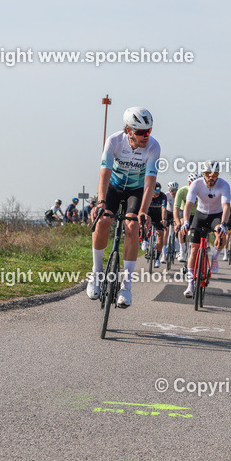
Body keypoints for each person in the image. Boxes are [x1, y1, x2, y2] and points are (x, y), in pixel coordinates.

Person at [88, 106, 160, 309]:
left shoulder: (154, 147)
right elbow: (105, 173)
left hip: (135, 191)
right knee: (102, 221)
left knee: (132, 226)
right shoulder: (114, 142)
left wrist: (143, 211)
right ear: (129, 130)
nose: (146, 136)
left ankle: (126, 287)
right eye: (141, 132)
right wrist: (101, 202)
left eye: (149, 131)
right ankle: (96, 273)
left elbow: (149, 183)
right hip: (114, 187)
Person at [183, 162, 231, 298]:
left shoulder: (224, 185)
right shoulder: (196, 184)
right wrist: (186, 221)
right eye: (208, 174)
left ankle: (215, 257)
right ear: (203, 174)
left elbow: (226, 206)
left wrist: (223, 223)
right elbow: (189, 204)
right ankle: (190, 284)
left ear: (218, 175)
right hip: (200, 215)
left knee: (221, 235)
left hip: (216, 216)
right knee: (194, 248)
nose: (211, 178)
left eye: (214, 175)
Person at [172, 174, 197, 263]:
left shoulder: (201, 191)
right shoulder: (182, 191)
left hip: (197, 213)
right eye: (192, 183)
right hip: (184, 212)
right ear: (189, 183)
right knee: (181, 225)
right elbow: (176, 208)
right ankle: (182, 251)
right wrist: (178, 222)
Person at [143, 182, 169, 264]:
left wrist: (163, 219)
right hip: (149, 213)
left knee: (160, 235)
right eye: (155, 191)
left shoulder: (163, 196)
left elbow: (164, 208)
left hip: (158, 215)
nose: (157, 192)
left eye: (158, 190)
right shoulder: (148, 195)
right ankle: (145, 239)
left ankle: (157, 258)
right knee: (146, 225)